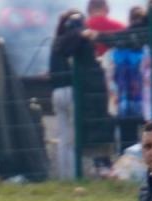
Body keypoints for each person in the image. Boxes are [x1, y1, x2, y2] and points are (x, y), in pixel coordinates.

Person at [47, 10, 107, 181]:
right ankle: (74, 176)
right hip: (71, 91)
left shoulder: (57, 42)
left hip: (56, 91)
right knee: (73, 137)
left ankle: (64, 176)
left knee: (63, 138)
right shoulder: (77, 40)